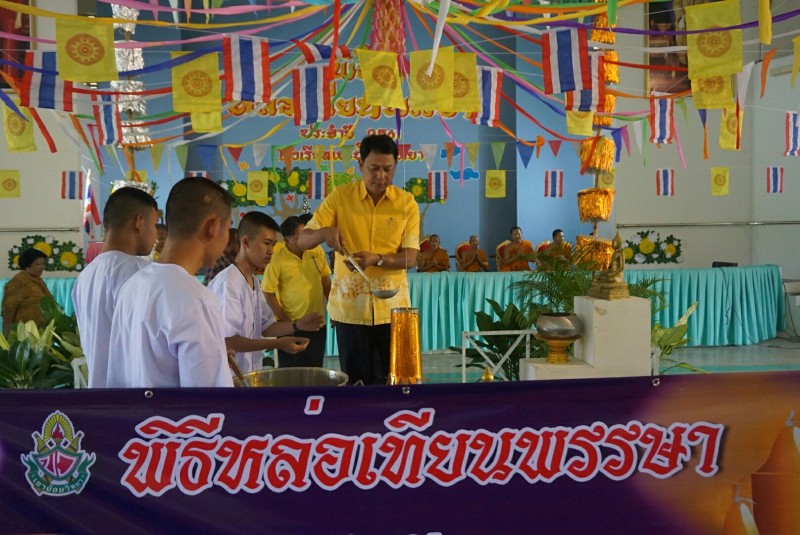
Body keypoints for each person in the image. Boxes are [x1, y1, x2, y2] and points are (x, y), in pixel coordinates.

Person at [298, 134, 420, 385]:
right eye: (374, 169)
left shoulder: (406, 203)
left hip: (393, 310)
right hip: (350, 312)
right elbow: (302, 240)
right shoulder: (340, 197)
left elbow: (410, 258)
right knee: (355, 385)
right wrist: (324, 232)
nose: (381, 176)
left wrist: (377, 259)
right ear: (360, 165)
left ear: (396, 166)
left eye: (388, 169)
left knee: (393, 383)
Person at [106, 177, 235, 388]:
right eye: (228, 228)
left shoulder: (132, 285)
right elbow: (207, 398)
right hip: (174, 412)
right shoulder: (196, 299)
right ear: (213, 226)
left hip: (132, 410)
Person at [209, 212, 322, 374]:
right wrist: (277, 344)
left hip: (249, 373)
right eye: (267, 243)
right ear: (246, 242)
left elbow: (267, 327)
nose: (271, 251)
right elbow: (229, 340)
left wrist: (297, 325)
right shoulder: (229, 283)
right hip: (230, 377)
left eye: (273, 244)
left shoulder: (254, 280)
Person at [72, 187, 159, 388]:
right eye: (154, 225)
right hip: (134, 394)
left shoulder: (84, 276)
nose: (156, 235)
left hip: (99, 393)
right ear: (139, 222)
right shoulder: (142, 272)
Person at [262, 214, 331, 368]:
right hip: (292, 325)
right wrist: (285, 320)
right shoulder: (277, 257)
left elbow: (325, 279)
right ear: (287, 240)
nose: (306, 240)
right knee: (291, 372)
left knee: (315, 370)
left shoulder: (316, 250)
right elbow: (268, 291)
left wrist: (333, 307)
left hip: (316, 323)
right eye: (300, 237)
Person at [2, 248, 52, 335]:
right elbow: (8, 311)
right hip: (24, 333)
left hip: (41, 331)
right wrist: (8, 336)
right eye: (38, 264)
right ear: (27, 264)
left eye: (43, 264)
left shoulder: (39, 280)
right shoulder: (17, 282)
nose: (42, 267)